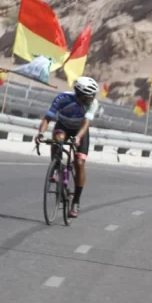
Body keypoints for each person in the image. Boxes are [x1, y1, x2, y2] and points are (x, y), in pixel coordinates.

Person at [35, 77, 100, 218]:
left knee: (79, 162)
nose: (92, 98)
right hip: (63, 126)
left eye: (93, 95)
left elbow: (86, 123)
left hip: (80, 130)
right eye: (89, 96)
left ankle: (76, 201)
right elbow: (48, 118)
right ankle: (56, 167)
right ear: (79, 94)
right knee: (57, 140)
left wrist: (77, 137)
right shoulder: (62, 98)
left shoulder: (92, 103)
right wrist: (40, 133)